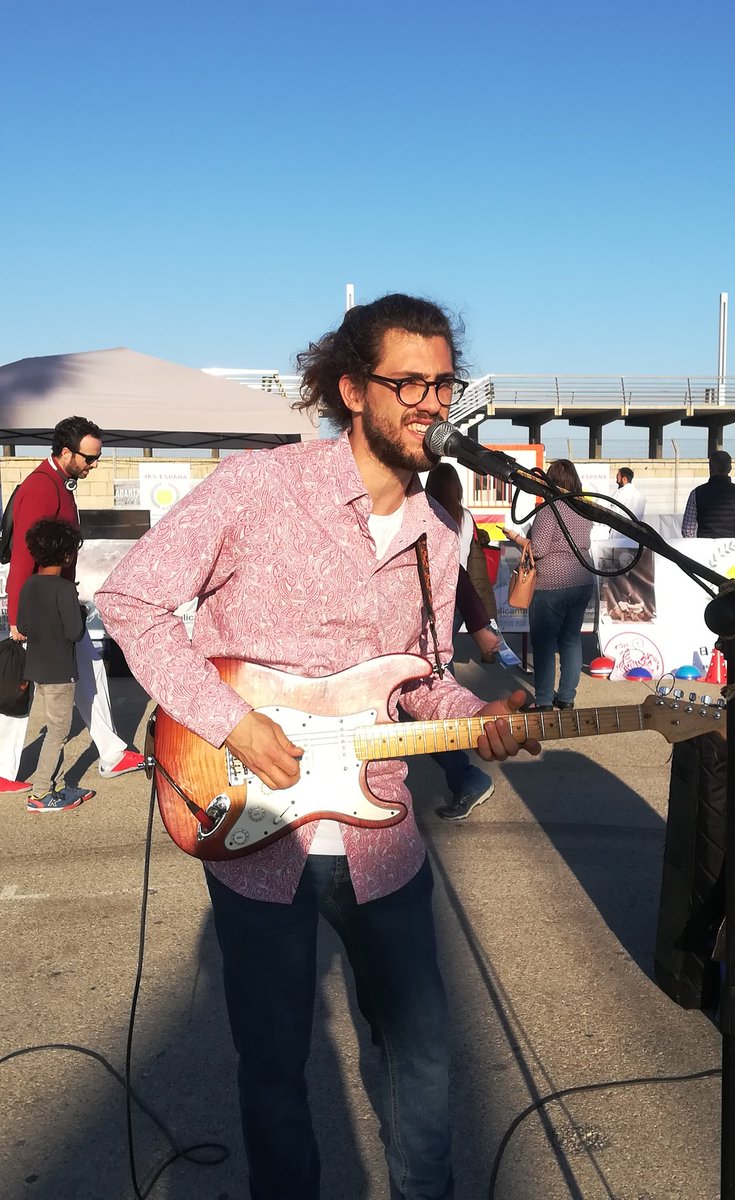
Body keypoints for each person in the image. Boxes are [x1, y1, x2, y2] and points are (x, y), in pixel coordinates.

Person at [96, 293, 540, 1200]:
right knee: (274, 1072)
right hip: (256, 836)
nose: (430, 403)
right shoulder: (257, 488)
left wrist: (478, 712)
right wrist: (229, 720)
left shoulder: (441, 529)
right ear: (352, 389)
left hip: (385, 843)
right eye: (408, 383)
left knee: (422, 1056)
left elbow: (417, 676)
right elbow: (131, 600)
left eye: (442, 384)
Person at [0, 415, 144, 792]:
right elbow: (22, 557)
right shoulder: (42, 487)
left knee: (87, 668)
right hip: (41, 609)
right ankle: (3, 770)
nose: (94, 465)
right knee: (17, 686)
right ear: (66, 453)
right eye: (89, 458)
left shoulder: (60, 483)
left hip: (57, 604)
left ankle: (111, 752)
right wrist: (16, 617)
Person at [422, 463, 500, 821]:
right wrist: (479, 621)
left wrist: (480, 623)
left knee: (428, 700)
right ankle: (466, 776)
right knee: (437, 688)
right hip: (451, 605)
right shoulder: (464, 517)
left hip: (431, 607)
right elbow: (462, 567)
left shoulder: (427, 514)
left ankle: (467, 777)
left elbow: (454, 569)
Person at [17, 519, 96, 813]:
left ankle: (55, 785)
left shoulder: (29, 585)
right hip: (60, 671)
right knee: (58, 732)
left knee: (54, 728)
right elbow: (75, 632)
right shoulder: (64, 589)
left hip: (37, 668)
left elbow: (23, 626)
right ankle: (41, 793)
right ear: (67, 555)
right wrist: (80, 610)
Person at [508, 459, 595, 711]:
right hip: (582, 579)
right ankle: (566, 697)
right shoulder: (583, 508)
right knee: (571, 638)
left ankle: (544, 700)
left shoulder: (550, 509)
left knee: (544, 643)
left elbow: (538, 550)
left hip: (552, 583)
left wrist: (516, 538)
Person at [680, 450, 735, 538]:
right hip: (734, 545)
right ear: (730, 468)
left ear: (710, 468)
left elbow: (687, 531)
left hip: (705, 545)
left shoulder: (696, 493)